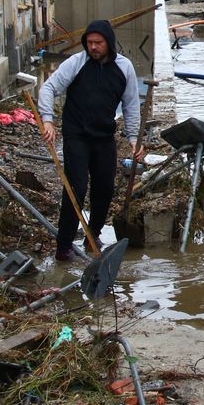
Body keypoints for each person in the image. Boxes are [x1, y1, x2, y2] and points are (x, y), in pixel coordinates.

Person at [39, 20, 143, 261]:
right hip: (77, 135)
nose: (93, 47)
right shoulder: (76, 63)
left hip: (104, 136)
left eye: (98, 43)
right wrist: (48, 119)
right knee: (75, 188)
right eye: (89, 43)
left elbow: (131, 105)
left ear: (109, 43)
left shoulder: (124, 68)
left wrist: (134, 138)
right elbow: (48, 89)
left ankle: (92, 234)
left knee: (104, 189)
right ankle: (63, 247)